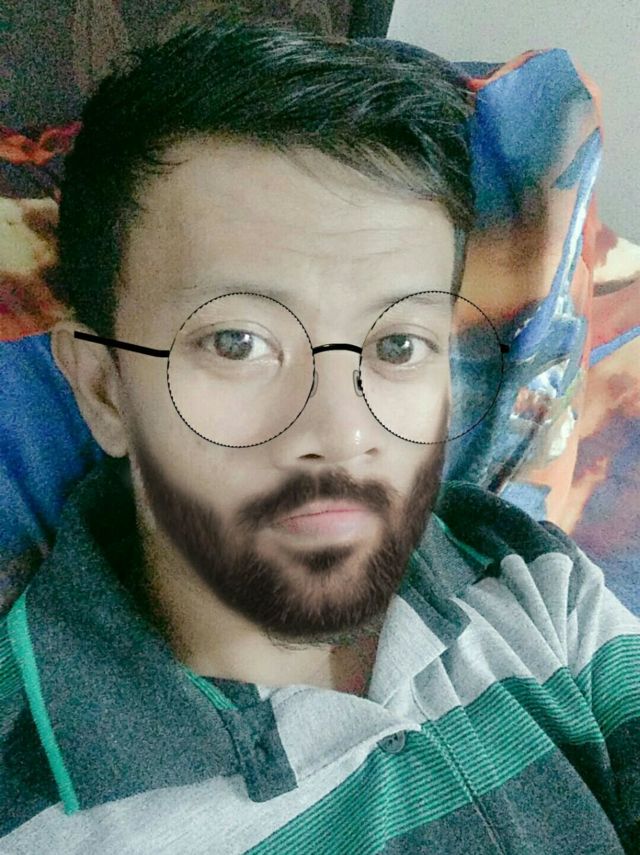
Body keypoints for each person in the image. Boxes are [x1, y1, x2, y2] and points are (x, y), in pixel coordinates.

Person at [1, 16, 638, 854]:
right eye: (239, 343)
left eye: (397, 346)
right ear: (103, 389)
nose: (342, 432)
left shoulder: (527, 578)